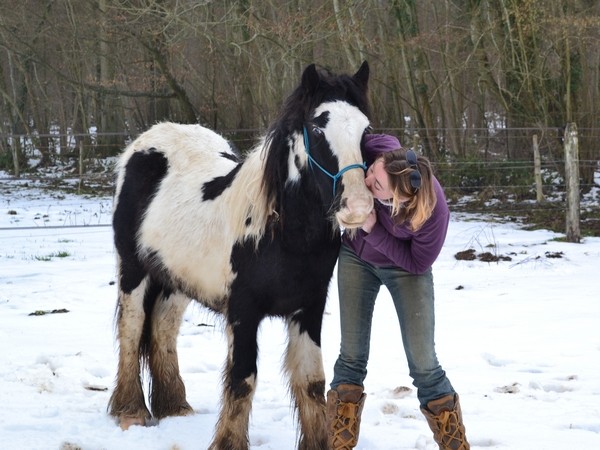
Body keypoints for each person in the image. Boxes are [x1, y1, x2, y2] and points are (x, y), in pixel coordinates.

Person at [326, 134, 470, 450]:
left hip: (405, 269)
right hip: (356, 257)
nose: (366, 181)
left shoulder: (433, 213)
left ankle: (453, 440)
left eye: (376, 187)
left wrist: (373, 229)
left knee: (423, 361)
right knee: (351, 354)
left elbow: (417, 262)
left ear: (399, 201)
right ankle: (339, 439)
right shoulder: (377, 147)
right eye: (372, 172)